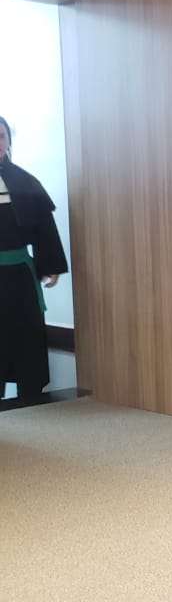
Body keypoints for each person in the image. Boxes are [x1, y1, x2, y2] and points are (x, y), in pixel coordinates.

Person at [0, 115, 69, 403]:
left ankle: (31, 403)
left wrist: (51, 265)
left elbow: (44, 226)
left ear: (8, 141)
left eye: (1, 136)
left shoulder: (25, 181)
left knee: (26, 338)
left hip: (19, 277)